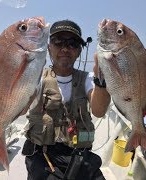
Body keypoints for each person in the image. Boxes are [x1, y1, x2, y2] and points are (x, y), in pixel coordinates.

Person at [21, 19, 111, 180]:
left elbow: (99, 111)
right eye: (58, 41)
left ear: (79, 51)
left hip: (79, 155)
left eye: (72, 43)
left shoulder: (88, 79)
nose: (65, 48)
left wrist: (101, 79)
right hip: (43, 155)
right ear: (49, 48)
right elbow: (20, 108)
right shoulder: (37, 77)